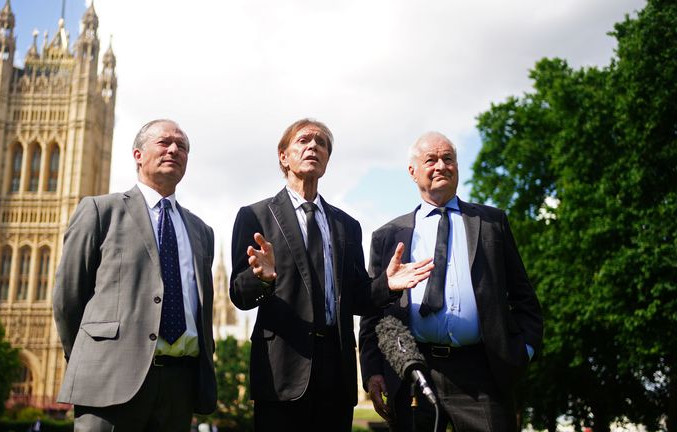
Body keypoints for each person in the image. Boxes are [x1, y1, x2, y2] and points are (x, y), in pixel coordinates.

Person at [229, 118, 434, 432]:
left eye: (321, 143)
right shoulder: (255, 215)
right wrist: (263, 279)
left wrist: (387, 286)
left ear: (327, 159)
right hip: (282, 371)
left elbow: (359, 298)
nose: (313, 146)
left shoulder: (346, 225)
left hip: (336, 374)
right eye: (304, 140)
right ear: (283, 156)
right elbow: (239, 296)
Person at [359, 131, 543, 431]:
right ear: (412, 171)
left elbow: (524, 298)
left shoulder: (491, 223)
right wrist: (372, 371)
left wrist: (523, 352)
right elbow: (372, 312)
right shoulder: (388, 235)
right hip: (412, 374)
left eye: (448, 159)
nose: (441, 166)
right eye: (431, 160)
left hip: (482, 372)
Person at [53, 119, 217, 431]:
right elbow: (68, 299)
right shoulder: (101, 211)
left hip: (178, 386)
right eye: (165, 142)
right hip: (109, 380)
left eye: (182, 147)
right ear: (138, 155)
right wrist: (94, 357)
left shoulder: (201, 231)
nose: (174, 150)